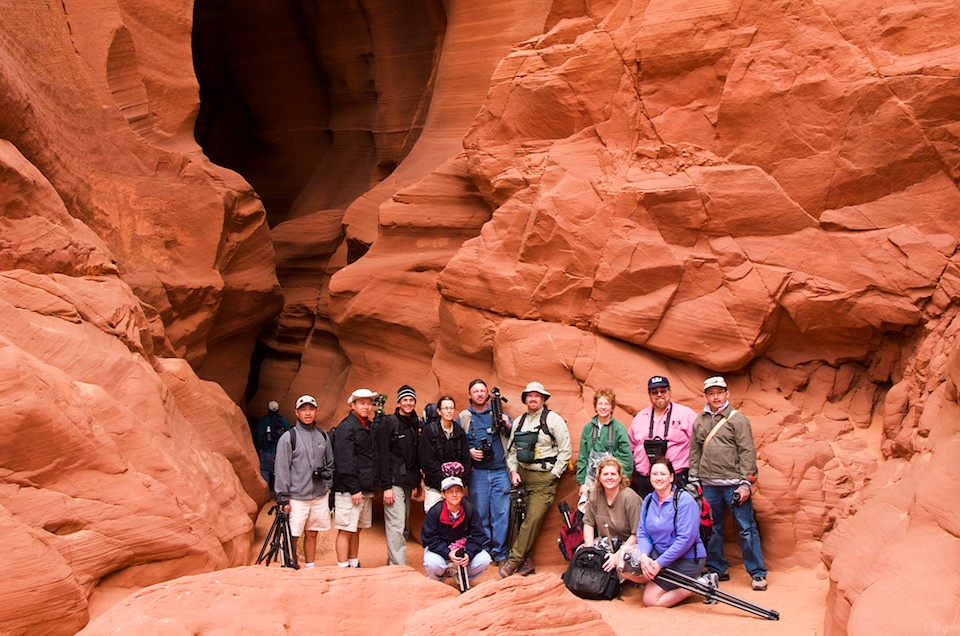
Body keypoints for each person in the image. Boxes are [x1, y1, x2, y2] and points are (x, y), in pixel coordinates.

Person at [688, 375, 768, 591]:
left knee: (746, 527)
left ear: (727, 394)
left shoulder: (737, 419)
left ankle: (757, 572)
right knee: (712, 527)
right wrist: (694, 479)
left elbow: (747, 451)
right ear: (706, 396)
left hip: (734, 483)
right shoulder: (700, 420)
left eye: (719, 392)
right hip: (709, 484)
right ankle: (717, 567)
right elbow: (694, 452)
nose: (715, 397)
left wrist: (746, 483)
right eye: (711, 393)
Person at [500, 381, 571, 578]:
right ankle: (527, 562)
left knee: (533, 519)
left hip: (544, 478)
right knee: (517, 519)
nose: (533, 399)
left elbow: (565, 450)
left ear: (543, 399)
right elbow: (512, 451)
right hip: (523, 477)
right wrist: (513, 472)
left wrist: (554, 474)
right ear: (525, 399)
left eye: (537, 396)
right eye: (530, 395)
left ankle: (513, 561)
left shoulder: (553, 419)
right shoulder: (519, 422)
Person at [619, 456, 706, 607]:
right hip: (657, 555)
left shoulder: (684, 501)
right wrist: (644, 556)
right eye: (654, 474)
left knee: (650, 600)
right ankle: (657, 578)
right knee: (624, 568)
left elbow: (685, 540)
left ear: (671, 477)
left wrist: (659, 564)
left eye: (663, 474)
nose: (658, 478)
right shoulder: (648, 500)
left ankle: (699, 585)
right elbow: (642, 533)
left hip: (686, 559)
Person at [273, 395, 334, 569]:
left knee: (312, 533)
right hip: (297, 496)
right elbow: (282, 468)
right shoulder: (288, 437)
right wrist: (283, 498)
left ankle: (310, 566)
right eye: (303, 410)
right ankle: (289, 563)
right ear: (296, 413)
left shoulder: (323, 435)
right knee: (293, 533)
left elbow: (330, 462)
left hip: (319, 495)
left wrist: (327, 483)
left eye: (311, 409)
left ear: (316, 411)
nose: (308, 413)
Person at [460, 379, 512, 566]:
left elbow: (513, 437)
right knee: (480, 514)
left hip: (499, 471)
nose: (480, 394)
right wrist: (469, 452)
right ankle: (483, 550)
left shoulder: (498, 413)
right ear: (470, 395)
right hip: (478, 473)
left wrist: (507, 424)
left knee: (501, 513)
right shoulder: (465, 417)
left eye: (483, 390)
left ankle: (499, 552)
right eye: (476, 391)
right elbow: (456, 442)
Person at [332, 388, 382, 568]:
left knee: (357, 529)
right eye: (362, 403)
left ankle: (353, 562)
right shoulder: (347, 427)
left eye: (369, 403)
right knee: (346, 529)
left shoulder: (367, 426)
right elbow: (344, 460)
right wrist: (354, 488)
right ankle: (343, 566)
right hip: (350, 490)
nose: (366, 407)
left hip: (364, 488)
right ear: (353, 405)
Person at [421, 463, 492, 585]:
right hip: (442, 550)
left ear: (462, 493)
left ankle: (461, 579)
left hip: (463, 550)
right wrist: (447, 551)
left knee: (484, 559)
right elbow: (428, 538)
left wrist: (468, 553)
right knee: (432, 563)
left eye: (457, 491)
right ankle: (437, 582)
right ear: (443, 494)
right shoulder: (435, 512)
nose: (454, 495)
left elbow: (478, 536)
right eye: (450, 492)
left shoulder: (470, 510)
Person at [628, 375, 697, 499]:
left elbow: (699, 443)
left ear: (670, 391)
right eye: (654, 392)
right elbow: (630, 447)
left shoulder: (685, 414)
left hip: (676, 479)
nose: (659, 394)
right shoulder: (640, 417)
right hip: (645, 481)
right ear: (649, 395)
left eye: (663, 391)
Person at [376, 385, 422, 566]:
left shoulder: (414, 423)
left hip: (408, 481)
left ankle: (393, 563)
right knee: (396, 526)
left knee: (403, 526)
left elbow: (415, 455)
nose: (408, 403)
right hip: (394, 482)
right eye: (405, 400)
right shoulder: (389, 423)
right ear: (399, 402)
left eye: (411, 400)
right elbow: (383, 456)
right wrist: (386, 487)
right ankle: (398, 567)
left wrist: (418, 482)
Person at [581, 457, 642, 572]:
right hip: (606, 542)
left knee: (619, 567)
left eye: (613, 474)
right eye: (605, 474)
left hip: (629, 545)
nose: (609, 477)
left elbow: (637, 535)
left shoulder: (630, 498)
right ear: (599, 477)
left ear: (620, 477)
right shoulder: (595, 494)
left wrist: (617, 556)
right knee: (581, 557)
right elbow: (588, 523)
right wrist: (590, 551)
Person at [576, 388, 633, 509]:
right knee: (588, 513)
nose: (603, 407)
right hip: (590, 480)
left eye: (607, 404)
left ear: (612, 408)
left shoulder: (619, 429)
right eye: (600, 404)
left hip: (611, 481)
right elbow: (583, 456)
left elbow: (626, 457)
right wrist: (582, 483)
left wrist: (623, 481)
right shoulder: (588, 428)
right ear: (595, 407)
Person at [419, 395, 471, 512]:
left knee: (454, 521)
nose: (449, 411)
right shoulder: (429, 431)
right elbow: (426, 461)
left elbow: (466, 459)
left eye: (451, 408)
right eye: (445, 408)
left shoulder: (459, 431)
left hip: (455, 488)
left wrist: (459, 483)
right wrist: (443, 482)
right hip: (435, 487)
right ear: (439, 411)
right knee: (434, 520)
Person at [255, 400, 291, 493]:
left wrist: (259, 447)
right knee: (279, 474)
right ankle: (278, 494)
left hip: (266, 451)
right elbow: (289, 435)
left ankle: (265, 494)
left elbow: (259, 434)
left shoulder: (264, 420)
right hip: (279, 452)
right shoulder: (284, 420)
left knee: (265, 472)